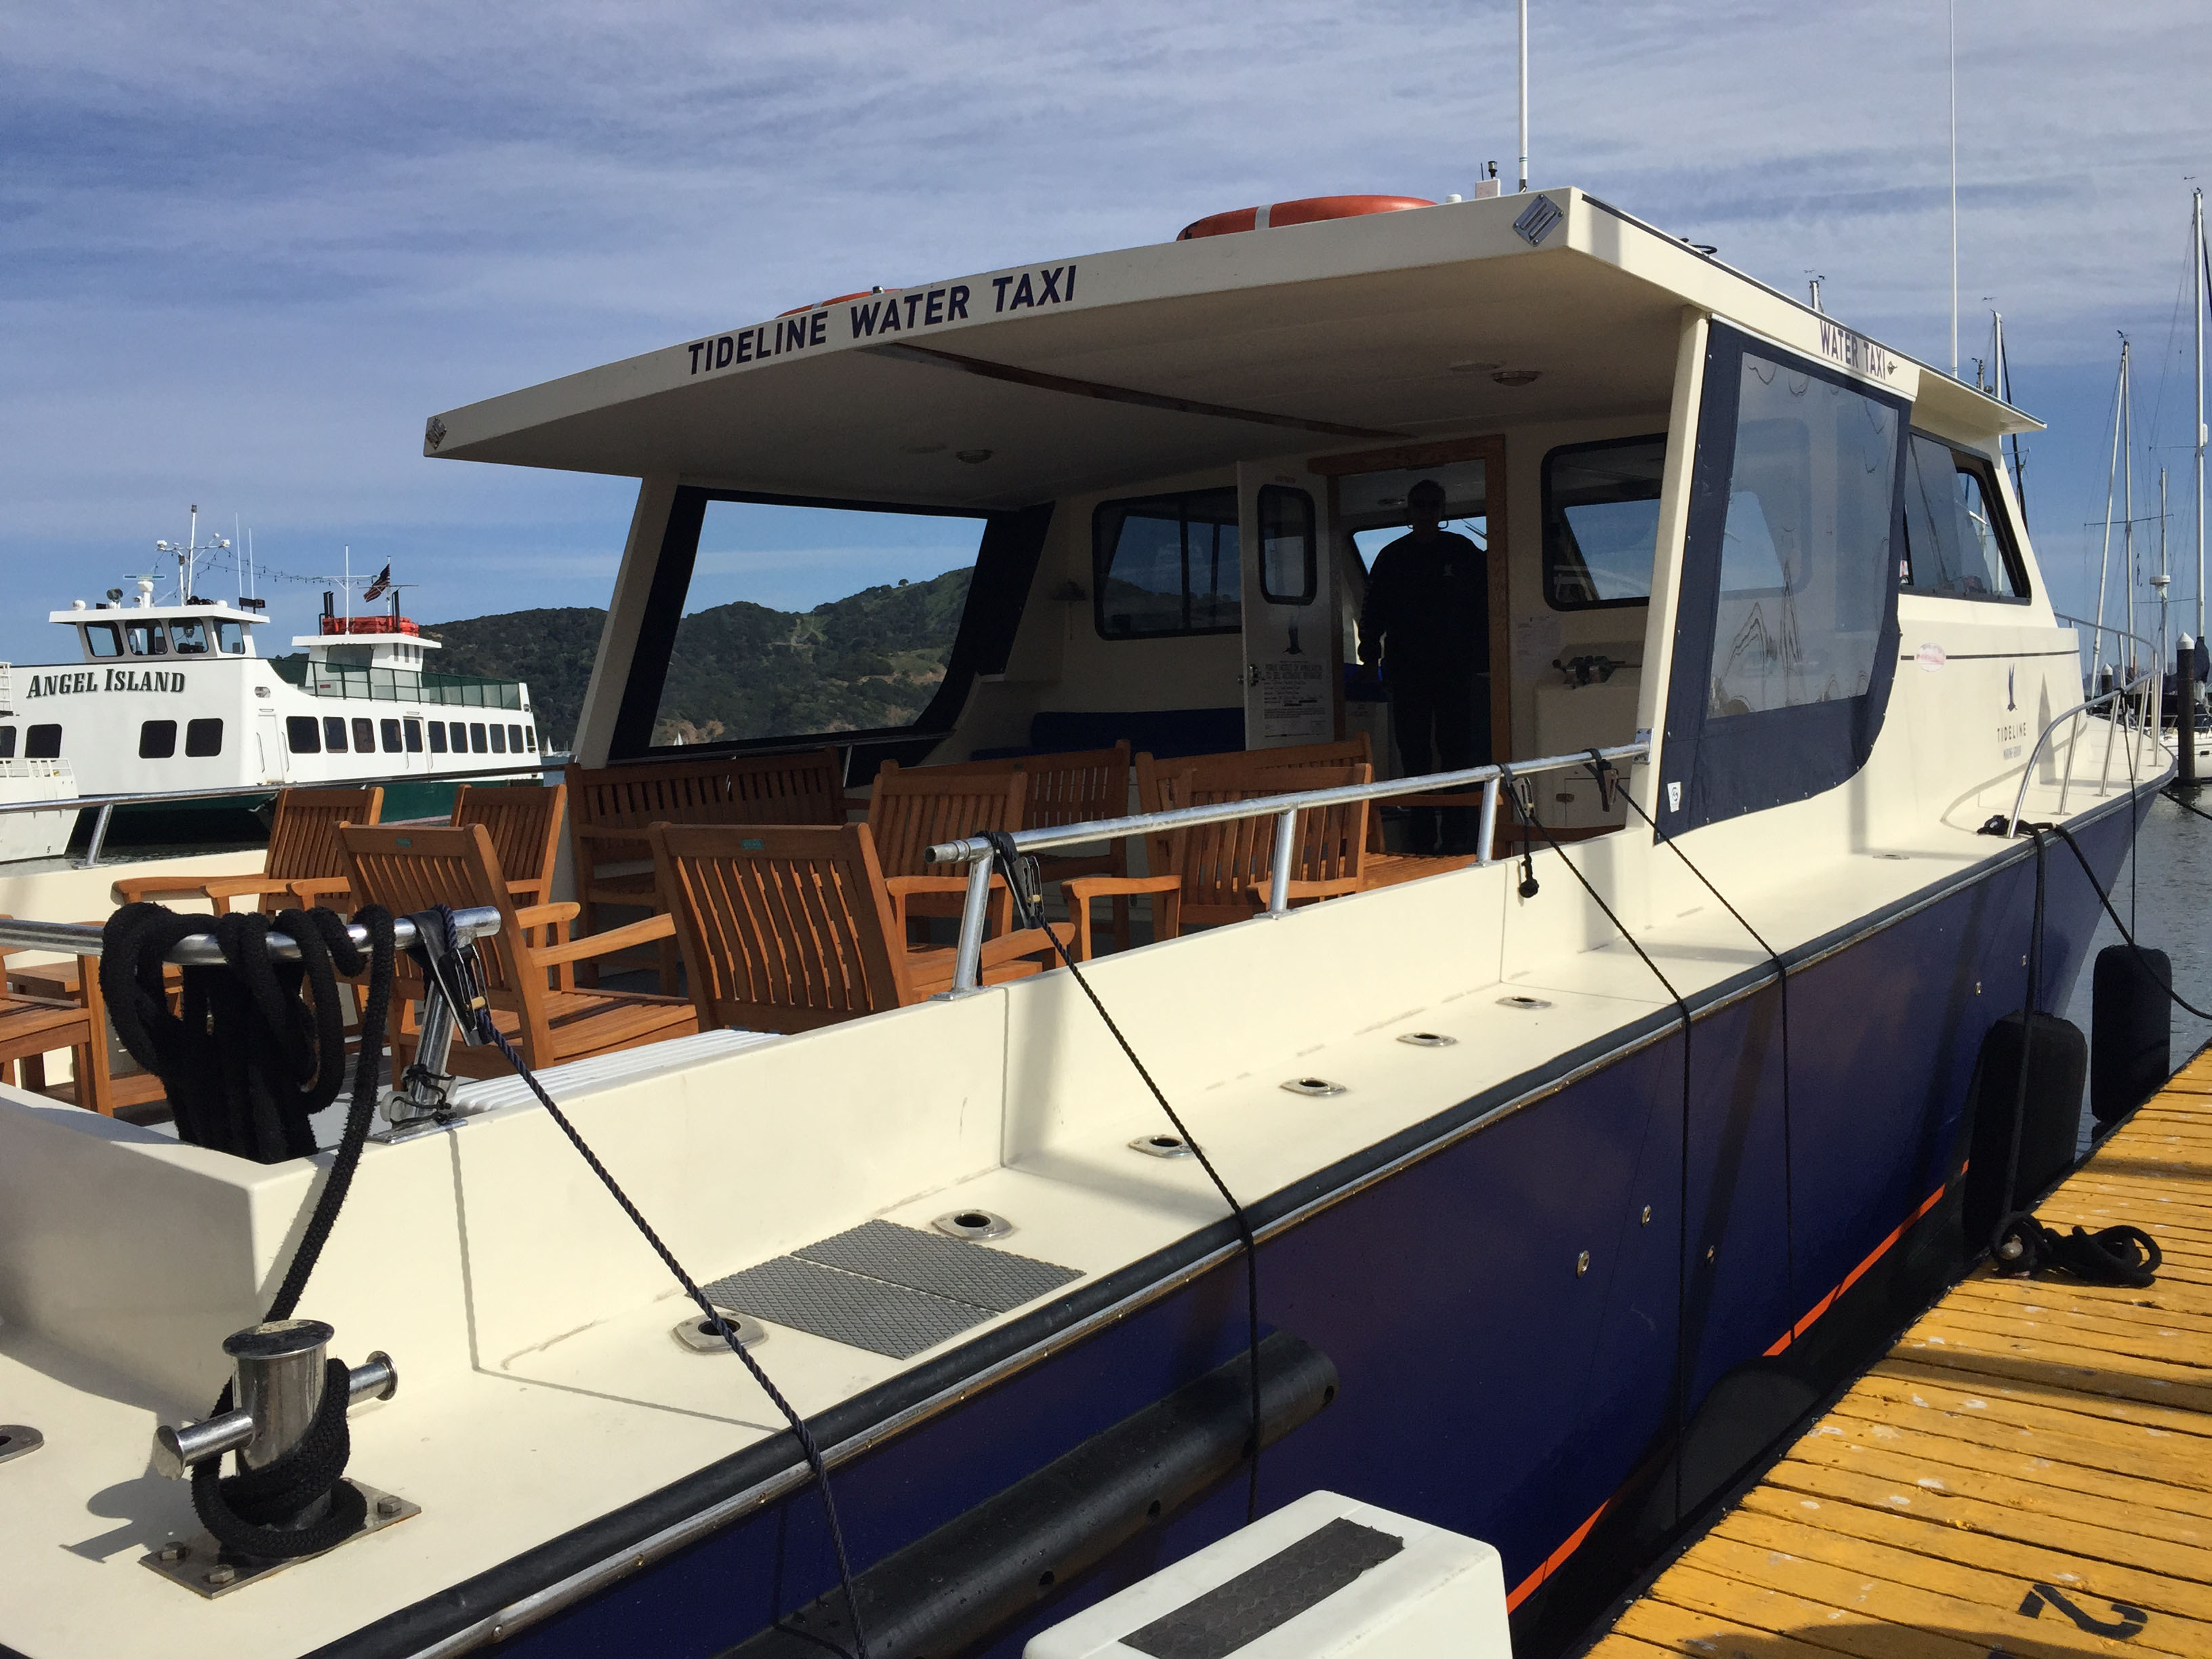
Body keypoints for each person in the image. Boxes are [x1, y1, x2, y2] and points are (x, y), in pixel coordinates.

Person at [1357, 478, 1490, 851]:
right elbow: (1373, 611)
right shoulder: (1392, 556)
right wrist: (1370, 658)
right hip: (1408, 672)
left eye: (1434, 505)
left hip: (1456, 671)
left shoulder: (1463, 551)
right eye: (1420, 504)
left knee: (1457, 754)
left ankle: (1457, 838)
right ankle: (1420, 838)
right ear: (1409, 510)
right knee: (1413, 755)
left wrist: (1487, 659)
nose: (1427, 511)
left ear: (1442, 510)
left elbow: (1487, 606)